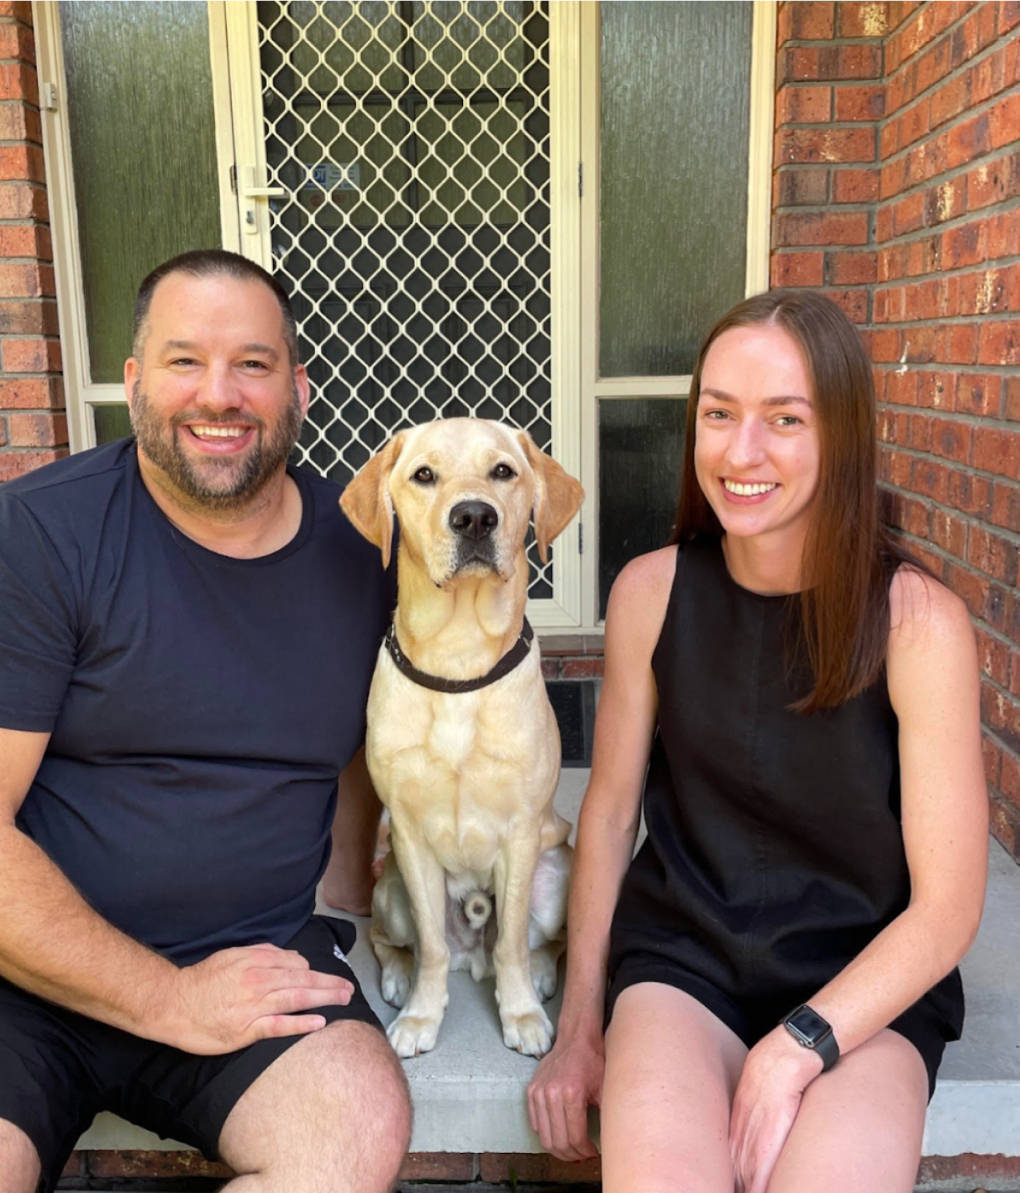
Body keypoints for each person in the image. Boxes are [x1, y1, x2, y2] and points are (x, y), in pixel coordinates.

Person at [527, 289, 988, 1193]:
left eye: (785, 419)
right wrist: (580, 1021)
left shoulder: (917, 624)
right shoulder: (649, 593)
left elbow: (947, 908)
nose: (742, 452)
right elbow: (612, 813)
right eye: (719, 414)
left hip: (865, 981)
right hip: (685, 958)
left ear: (843, 434)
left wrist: (800, 1045)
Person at [0, 250, 411, 1193]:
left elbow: (363, 740)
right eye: (185, 361)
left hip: (256, 959)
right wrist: (167, 998)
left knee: (348, 1137)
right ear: (136, 381)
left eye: (253, 364)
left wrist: (350, 897)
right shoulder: (43, 534)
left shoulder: (367, 553)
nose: (218, 395)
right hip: (29, 977)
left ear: (298, 387)